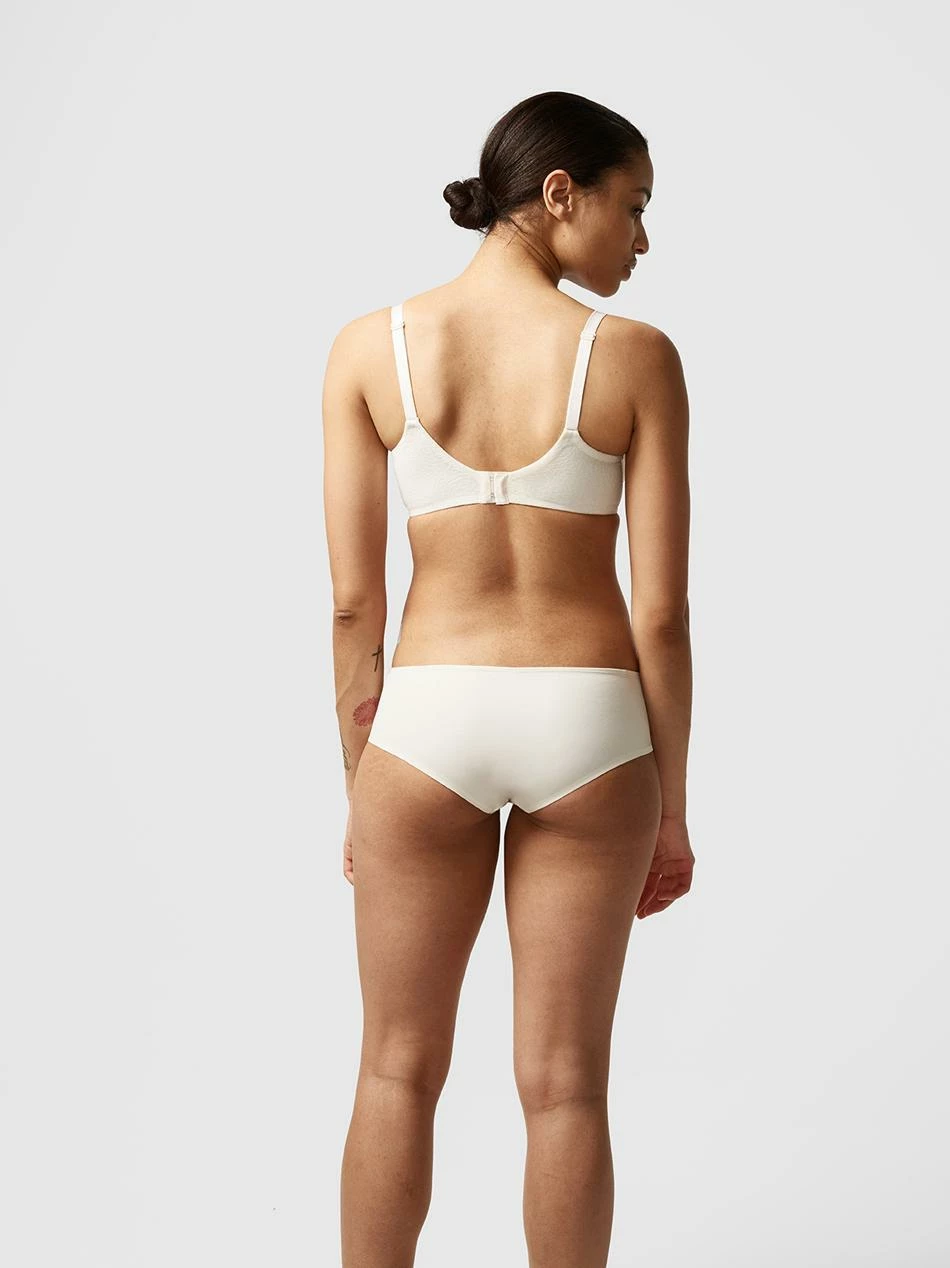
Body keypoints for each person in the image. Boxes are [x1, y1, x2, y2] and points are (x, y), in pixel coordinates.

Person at [322, 89, 694, 1268]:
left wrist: (363, 781)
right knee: (566, 1081)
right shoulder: (633, 357)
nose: (641, 239)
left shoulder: (368, 348)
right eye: (633, 205)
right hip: (588, 720)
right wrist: (671, 808)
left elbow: (353, 605)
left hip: (425, 717)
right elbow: (660, 612)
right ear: (559, 194)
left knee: (393, 1064)